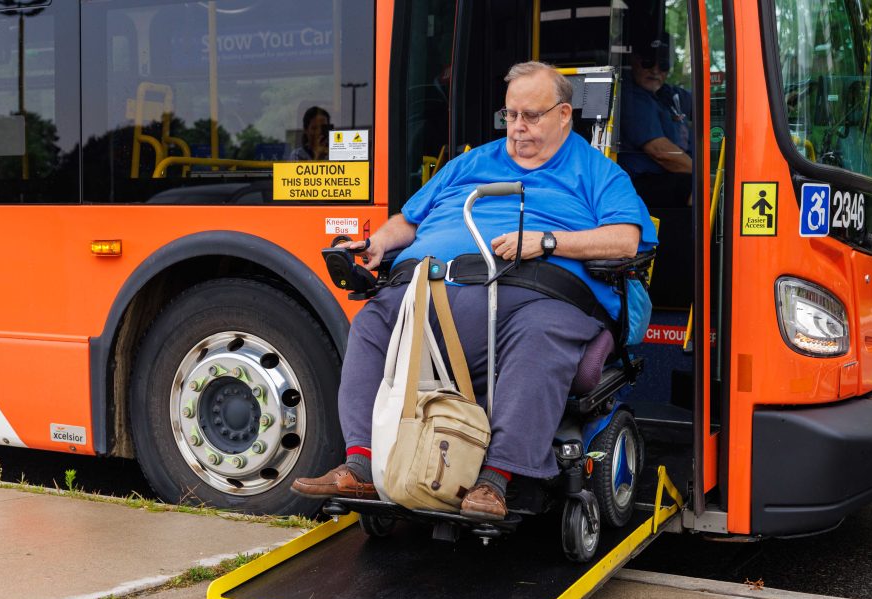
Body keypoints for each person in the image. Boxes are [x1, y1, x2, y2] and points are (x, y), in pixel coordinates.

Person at [292, 61, 657, 520]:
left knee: (541, 334)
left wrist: (546, 242)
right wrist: (377, 244)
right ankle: (361, 466)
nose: (517, 128)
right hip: (429, 290)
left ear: (564, 114)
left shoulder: (596, 172)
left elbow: (626, 238)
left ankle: (496, 480)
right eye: (510, 116)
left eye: (531, 116)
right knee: (372, 320)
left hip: (533, 296)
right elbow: (410, 219)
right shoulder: (470, 162)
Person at [618, 33, 693, 208]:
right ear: (634, 60)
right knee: (703, 190)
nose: (655, 70)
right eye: (648, 62)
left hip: (670, 177)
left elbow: (707, 102)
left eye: (664, 65)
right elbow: (661, 152)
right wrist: (705, 174)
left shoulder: (668, 93)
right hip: (638, 185)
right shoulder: (630, 96)